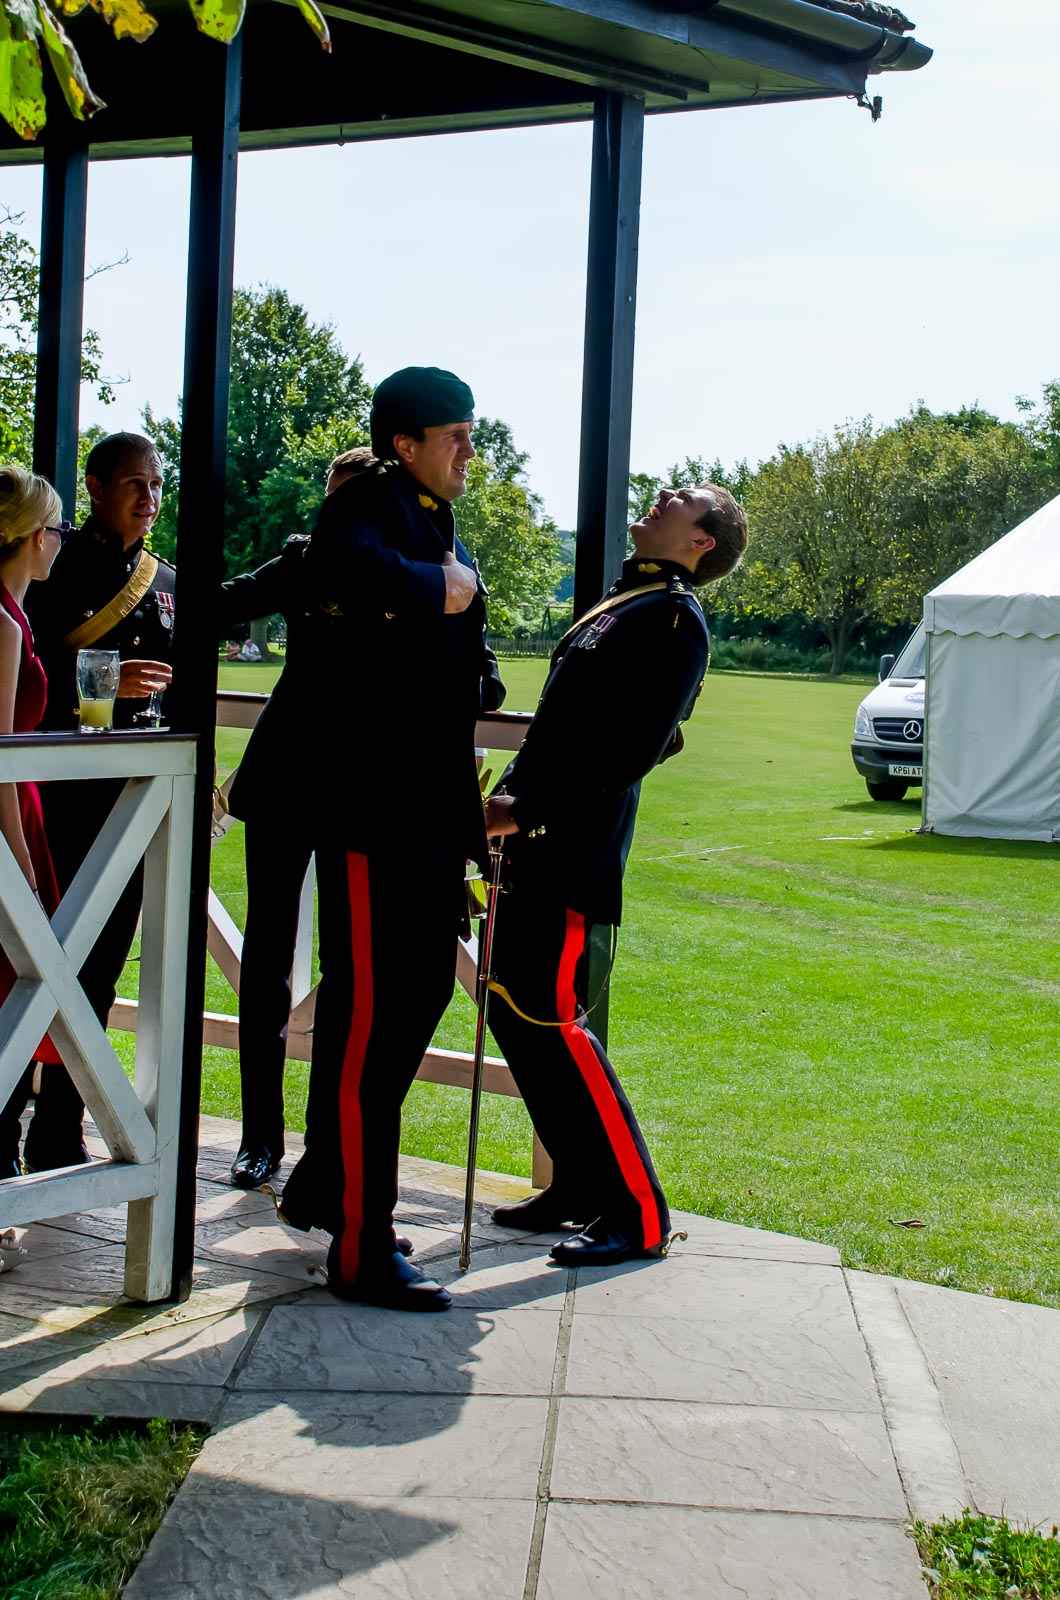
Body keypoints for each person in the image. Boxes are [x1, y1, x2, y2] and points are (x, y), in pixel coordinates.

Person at [224, 443, 505, 1194]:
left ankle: (327, 1150)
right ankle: (260, 1135)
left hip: (373, 795)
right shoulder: (307, 559)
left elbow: (487, 678)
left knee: (352, 976)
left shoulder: (448, 566)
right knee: (267, 960)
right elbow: (218, 606)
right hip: (288, 777)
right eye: (338, 502)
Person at [482, 483, 749, 1268]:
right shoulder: (627, 601)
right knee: (515, 1017)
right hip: (536, 837)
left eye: (682, 499)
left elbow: (633, 747)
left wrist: (521, 809)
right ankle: (578, 1185)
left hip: (572, 846)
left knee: (553, 1024)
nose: (662, 495)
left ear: (701, 542)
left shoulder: (671, 617)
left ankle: (638, 1212)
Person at [276, 366, 496, 1311]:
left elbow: (467, 659)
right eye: (455, 435)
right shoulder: (366, 499)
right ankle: (362, 1246)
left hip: (427, 816)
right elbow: (342, 571)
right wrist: (437, 589)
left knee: (408, 1012)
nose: (469, 453)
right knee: (371, 1028)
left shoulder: (433, 515)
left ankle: (329, 1184)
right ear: (404, 442)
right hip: (373, 814)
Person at [22, 433, 174, 1171]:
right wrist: (107, 679)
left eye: (156, 485)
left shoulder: (163, 576)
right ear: (94, 487)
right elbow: (28, 662)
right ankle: (5, 1123)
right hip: (61, 797)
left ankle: (60, 1125)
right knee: (30, 963)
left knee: (101, 970)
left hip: (133, 800)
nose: (148, 499)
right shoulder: (53, 563)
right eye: (133, 484)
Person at [0, 467, 67, 1178]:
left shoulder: (13, 614)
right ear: (30, 537)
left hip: (23, 809)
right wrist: (18, 867)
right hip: (10, 816)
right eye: (55, 530)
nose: (60, 543)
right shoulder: (1, 621)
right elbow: (0, 756)